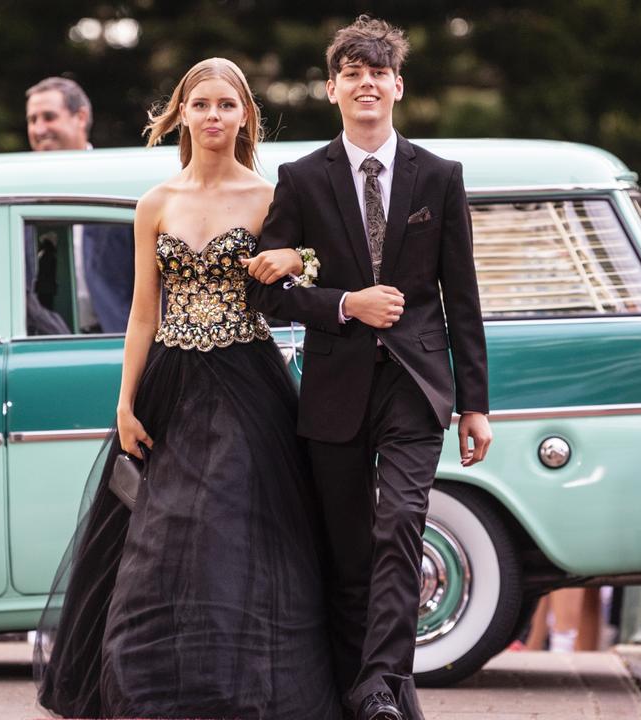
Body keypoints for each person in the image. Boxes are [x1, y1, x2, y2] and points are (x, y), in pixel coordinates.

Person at [35, 58, 345, 720]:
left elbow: (325, 263)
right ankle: (153, 688)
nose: (212, 116)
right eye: (200, 104)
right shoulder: (156, 203)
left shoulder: (269, 197)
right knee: (157, 542)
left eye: (225, 105)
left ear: (243, 118)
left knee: (229, 534)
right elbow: (143, 313)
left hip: (246, 383)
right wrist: (124, 402)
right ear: (180, 114)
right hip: (169, 385)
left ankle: (239, 691)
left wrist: (297, 257)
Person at [244, 17, 492, 720]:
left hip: (416, 387)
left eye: (377, 73)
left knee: (402, 526)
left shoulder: (439, 178)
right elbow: (266, 292)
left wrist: (475, 403)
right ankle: (366, 695)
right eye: (352, 74)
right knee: (350, 551)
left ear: (398, 86)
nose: (366, 84)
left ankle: (380, 684)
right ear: (332, 88)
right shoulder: (301, 179)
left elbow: (462, 298)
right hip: (334, 387)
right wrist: (345, 304)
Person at [25, 77, 134, 334]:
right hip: (38, 344)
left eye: (49, 117)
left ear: (80, 117)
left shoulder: (119, 182)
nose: (39, 129)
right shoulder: (20, 189)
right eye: (32, 120)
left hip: (112, 338)